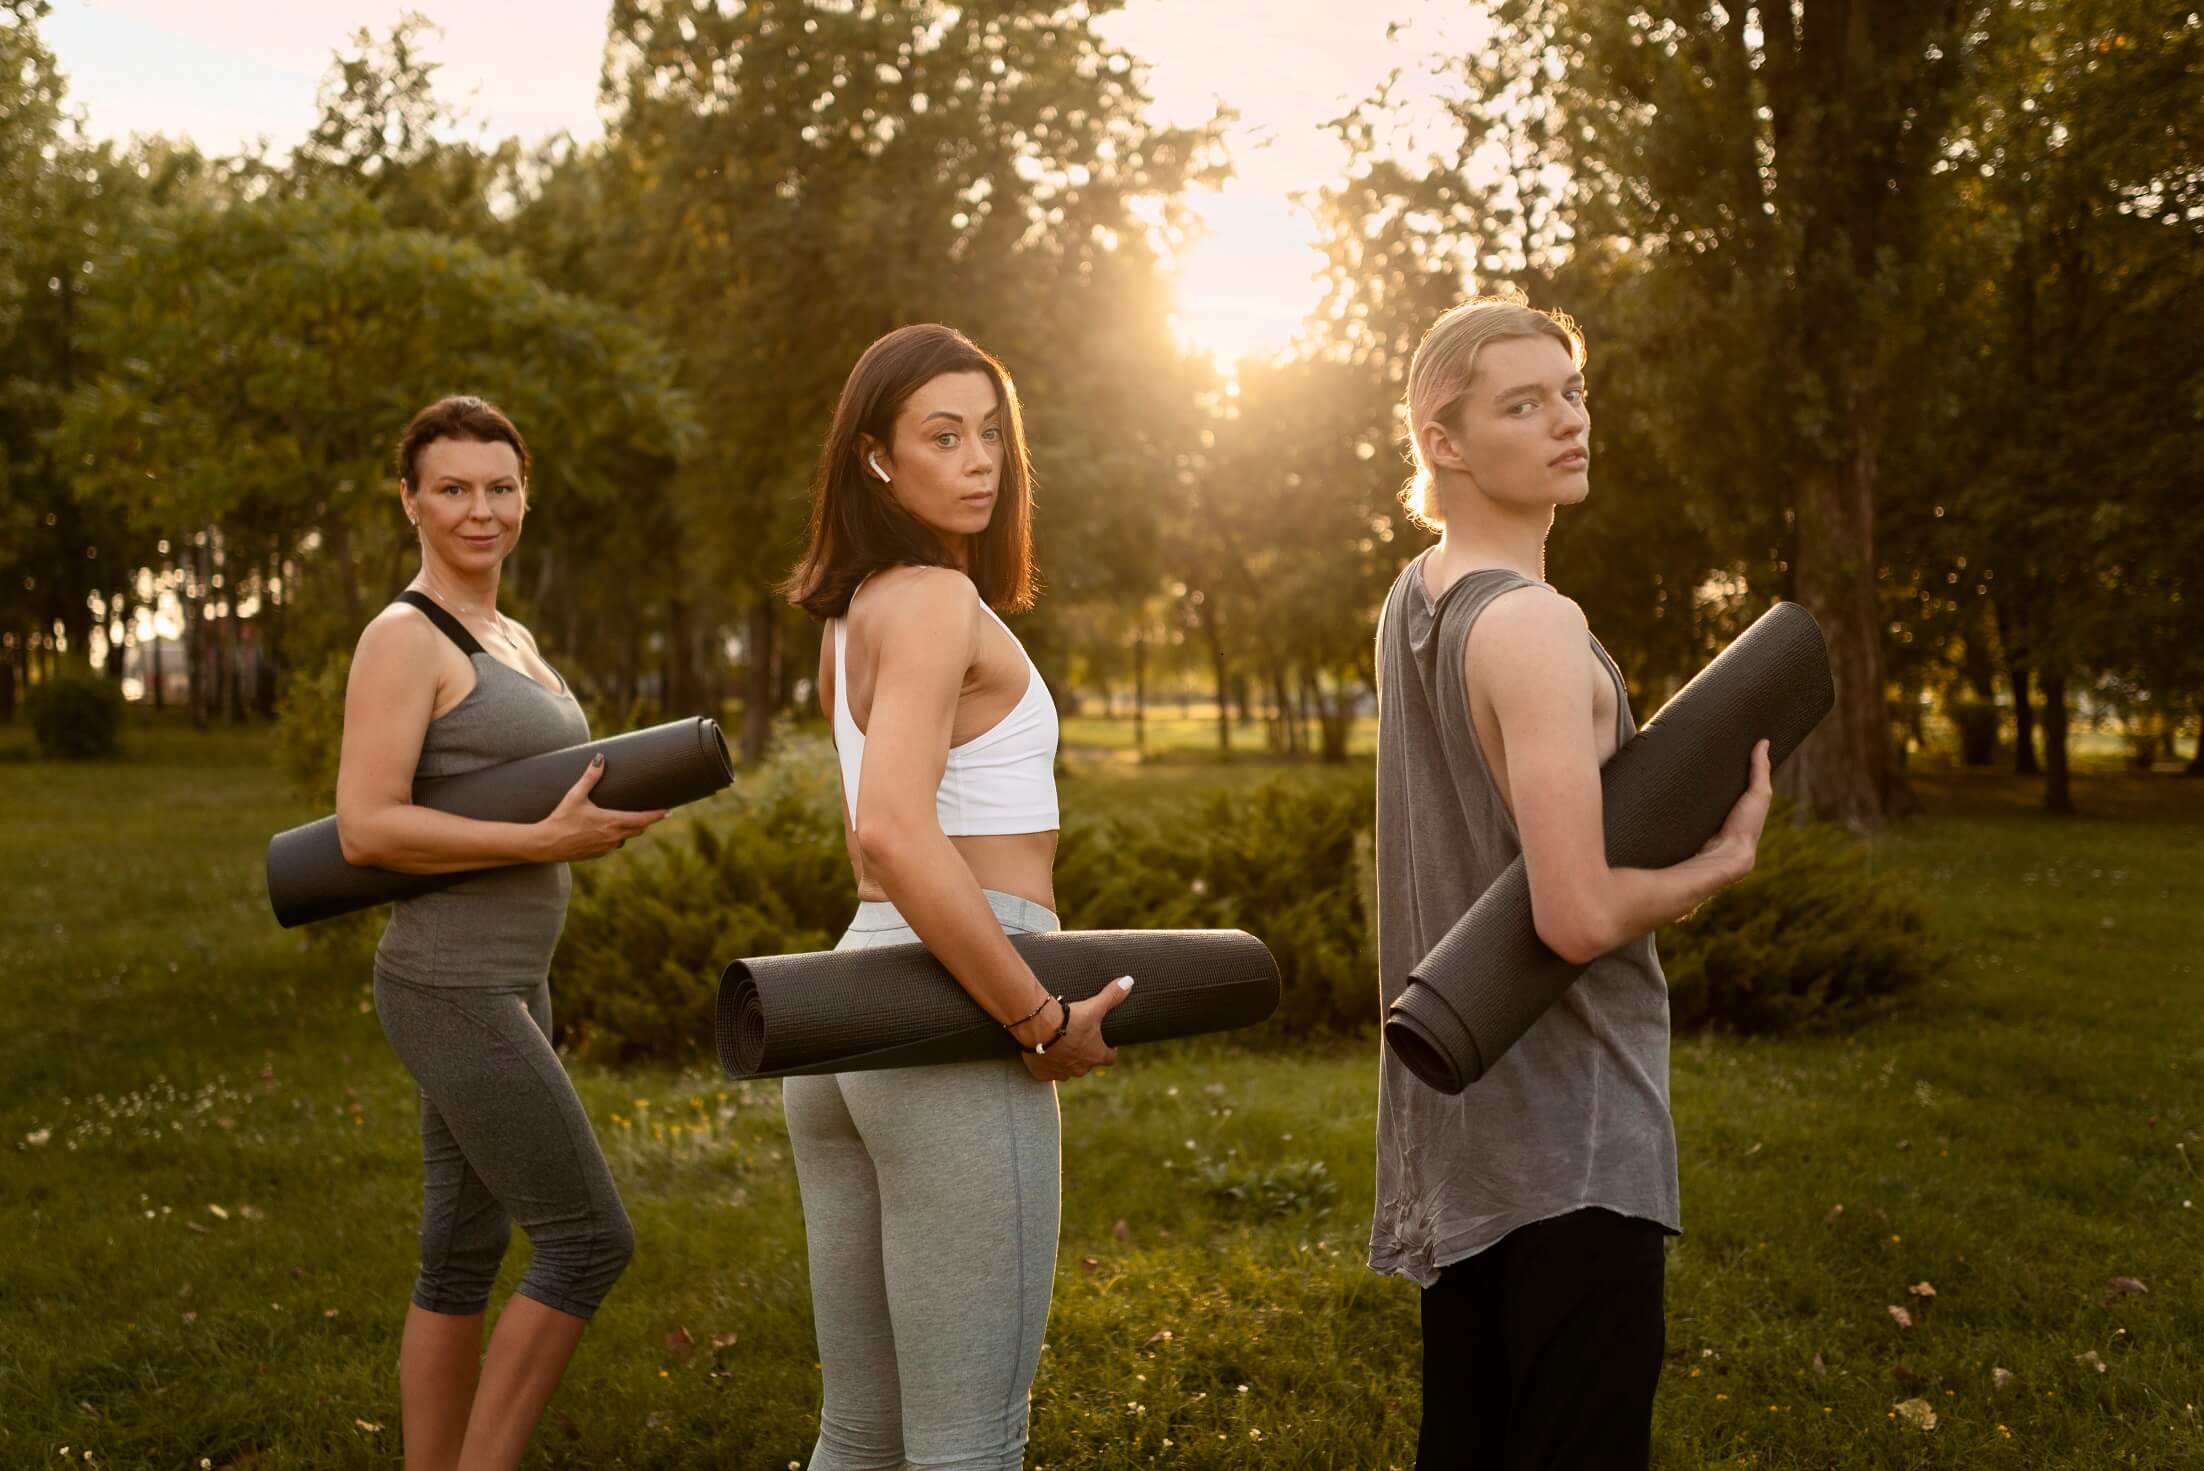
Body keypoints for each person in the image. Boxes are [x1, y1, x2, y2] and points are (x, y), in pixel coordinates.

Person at [1368, 295, 1774, 1469]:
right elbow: (1576, 909)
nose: (1567, 421)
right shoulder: (1535, 626)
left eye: (1571, 391)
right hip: (1570, 1135)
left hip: (1460, 1127)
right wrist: (1718, 860)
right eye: (1523, 402)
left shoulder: (1417, 596)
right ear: (1442, 442)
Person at [777, 323, 1130, 1470]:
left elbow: (860, 846)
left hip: (853, 1004)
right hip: (952, 1013)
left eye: (990, 433)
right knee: (967, 1443)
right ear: (877, 457)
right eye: (942, 436)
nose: (979, 459)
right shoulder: (930, 599)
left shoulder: (855, 613)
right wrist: (1032, 1016)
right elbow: (890, 827)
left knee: (863, 1433)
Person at [335, 395, 665, 1471]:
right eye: (453, 489)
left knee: (460, 1251)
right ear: (411, 502)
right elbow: (366, 825)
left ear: (524, 495)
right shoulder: (403, 637)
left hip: (515, 980)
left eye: (500, 487)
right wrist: (543, 842)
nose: (481, 509)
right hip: (447, 982)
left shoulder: (509, 634)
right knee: (585, 1240)